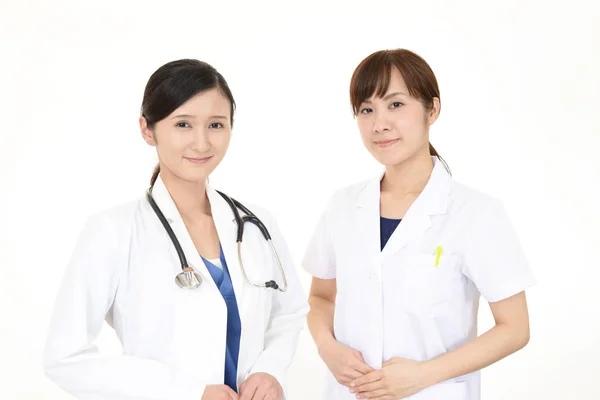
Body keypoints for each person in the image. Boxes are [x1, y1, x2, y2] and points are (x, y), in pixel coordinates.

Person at [43, 59, 308, 400]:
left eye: (216, 124)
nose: (201, 143)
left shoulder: (257, 224)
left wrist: (271, 370)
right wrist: (188, 392)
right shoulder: (113, 231)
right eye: (183, 124)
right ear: (147, 129)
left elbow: (289, 313)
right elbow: (65, 358)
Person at [302, 49, 535, 400]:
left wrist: (422, 376)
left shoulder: (475, 213)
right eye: (367, 109)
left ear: (433, 110)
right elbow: (320, 297)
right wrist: (327, 349)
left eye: (395, 105)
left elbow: (515, 328)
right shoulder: (344, 206)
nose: (379, 123)